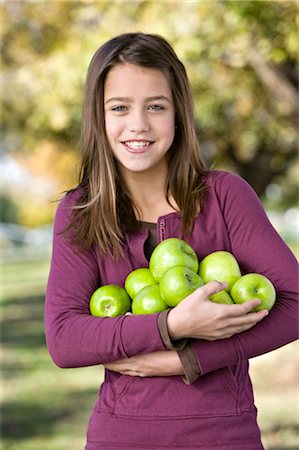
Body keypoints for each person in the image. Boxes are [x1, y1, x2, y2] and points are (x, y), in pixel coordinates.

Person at [45, 32, 298, 450]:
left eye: (156, 107)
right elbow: (65, 338)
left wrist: (190, 357)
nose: (138, 124)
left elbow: (294, 302)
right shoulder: (80, 210)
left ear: (179, 114)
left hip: (224, 435)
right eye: (119, 107)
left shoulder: (224, 196)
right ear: (98, 116)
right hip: (120, 436)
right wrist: (171, 325)